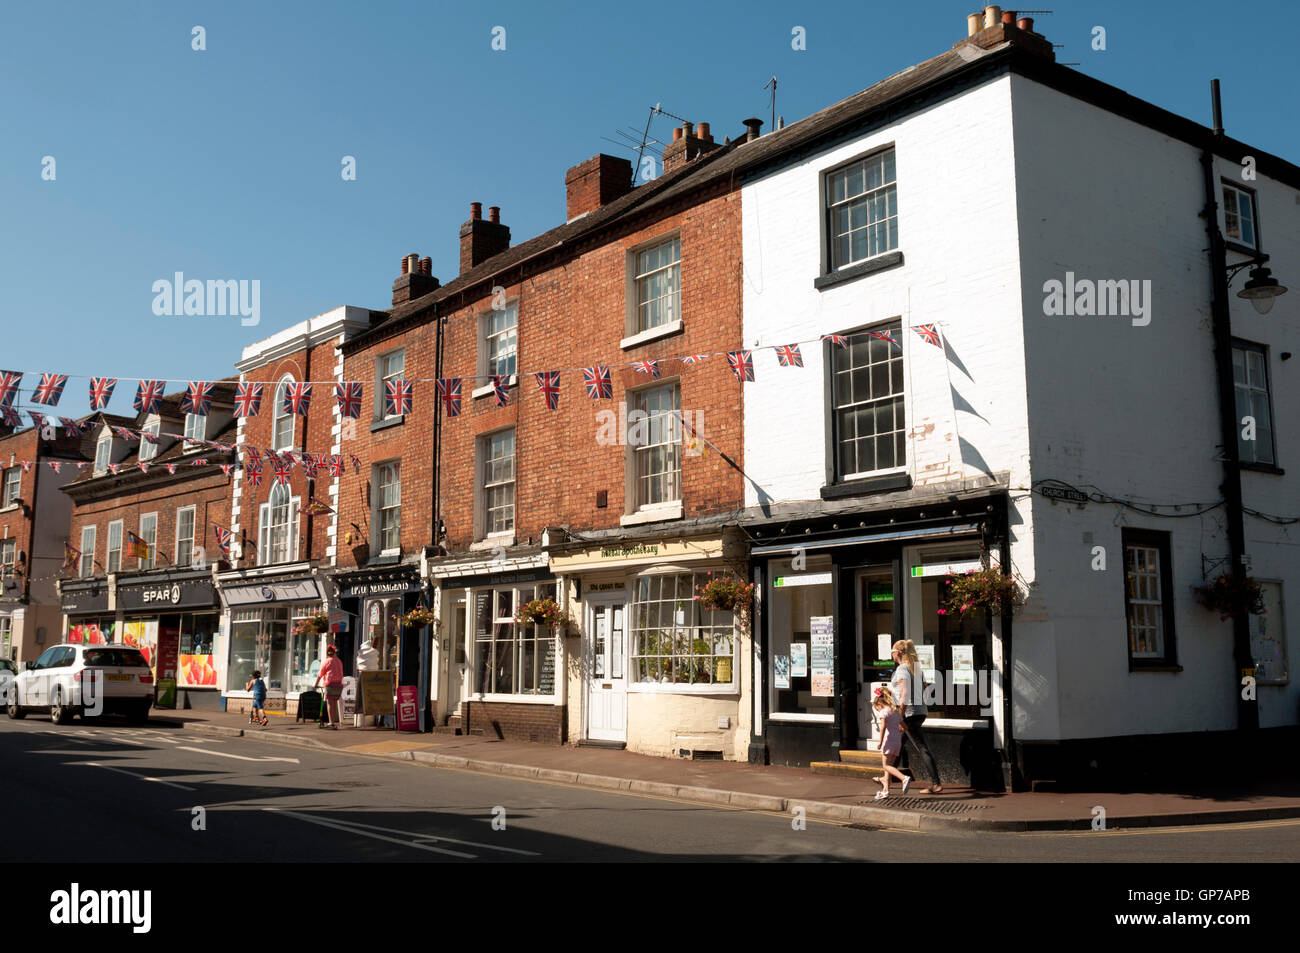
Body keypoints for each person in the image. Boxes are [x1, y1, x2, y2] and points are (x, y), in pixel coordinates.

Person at [891, 639, 943, 793]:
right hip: (920, 712)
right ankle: (886, 777)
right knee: (897, 746)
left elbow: (905, 694)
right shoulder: (916, 668)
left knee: (922, 748)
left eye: (892, 651)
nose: (892, 654)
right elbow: (925, 687)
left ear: (899, 653)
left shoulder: (902, 669)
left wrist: (900, 716)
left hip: (909, 714)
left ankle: (936, 784)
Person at [871, 686, 911, 799]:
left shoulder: (883, 712)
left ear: (880, 704)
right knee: (888, 768)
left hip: (888, 742)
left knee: (886, 765)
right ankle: (886, 791)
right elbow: (905, 727)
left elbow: (883, 727)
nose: (878, 711)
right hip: (897, 742)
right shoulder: (896, 712)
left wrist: (879, 742)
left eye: (877, 708)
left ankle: (904, 778)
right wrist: (897, 727)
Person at [313, 644, 344, 729]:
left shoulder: (327, 661)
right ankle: (333, 722)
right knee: (334, 703)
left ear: (327, 653)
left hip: (330, 684)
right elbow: (341, 672)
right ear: (334, 652)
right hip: (338, 685)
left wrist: (316, 684)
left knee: (330, 704)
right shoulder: (339, 661)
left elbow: (320, 674)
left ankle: (331, 722)